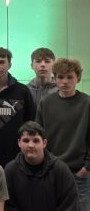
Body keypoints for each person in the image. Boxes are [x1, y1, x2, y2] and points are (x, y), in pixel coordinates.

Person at [35, 57, 90, 208]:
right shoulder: (45, 103)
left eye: (70, 77)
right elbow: (38, 135)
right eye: (60, 77)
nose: (65, 82)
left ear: (78, 78)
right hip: (50, 170)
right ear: (55, 79)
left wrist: (86, 168)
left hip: (79, 173)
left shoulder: (87, 103)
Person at [5, 121, 79, 211]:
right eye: (26, 140)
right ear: (19, 143)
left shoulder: (60, 170)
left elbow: (70, 205)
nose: (30, 145)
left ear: (44, 143)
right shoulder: (10, 171)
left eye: (36, 141)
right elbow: (8, 206)